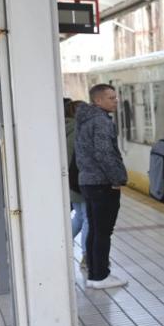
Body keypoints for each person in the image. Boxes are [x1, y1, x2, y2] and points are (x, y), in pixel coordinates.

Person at [75, 84, 129, 289]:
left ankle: (94, 273)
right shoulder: (101, 121)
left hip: (88, 181)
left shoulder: (85, 120)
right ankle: (101, 276)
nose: (115, 101)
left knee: (96, 230)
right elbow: (104, 153)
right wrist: (117, 179)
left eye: (115, 97)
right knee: (103, 231)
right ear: (98, 101)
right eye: (111, 98)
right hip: (102, 183)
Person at [63, 99, 89, 266]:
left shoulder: (64, 127)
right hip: (80, 180)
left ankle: (62, 244)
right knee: (88, 219)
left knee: (79, 216)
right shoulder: (79, 131)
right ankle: (87, 256)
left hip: (69, 180)